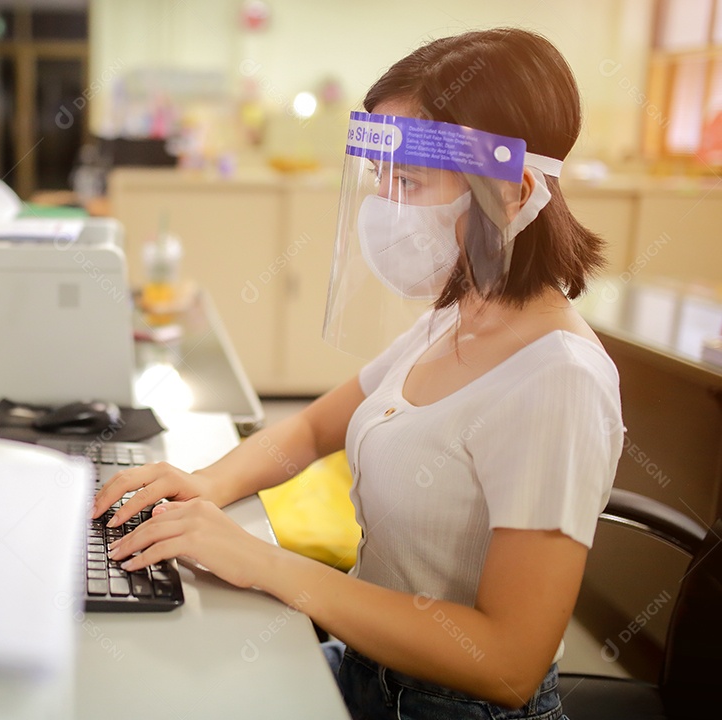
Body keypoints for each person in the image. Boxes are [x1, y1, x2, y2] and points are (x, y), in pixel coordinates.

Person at [92, 27, 622, 720]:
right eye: (381, 179)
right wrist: (205, 485)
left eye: (409, 181)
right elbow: (314, 428)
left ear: (512, 192)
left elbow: (509, 663)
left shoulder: (559, 380)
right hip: (366, 667)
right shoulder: (458, 317)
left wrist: (266, 565)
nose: (384, 208)